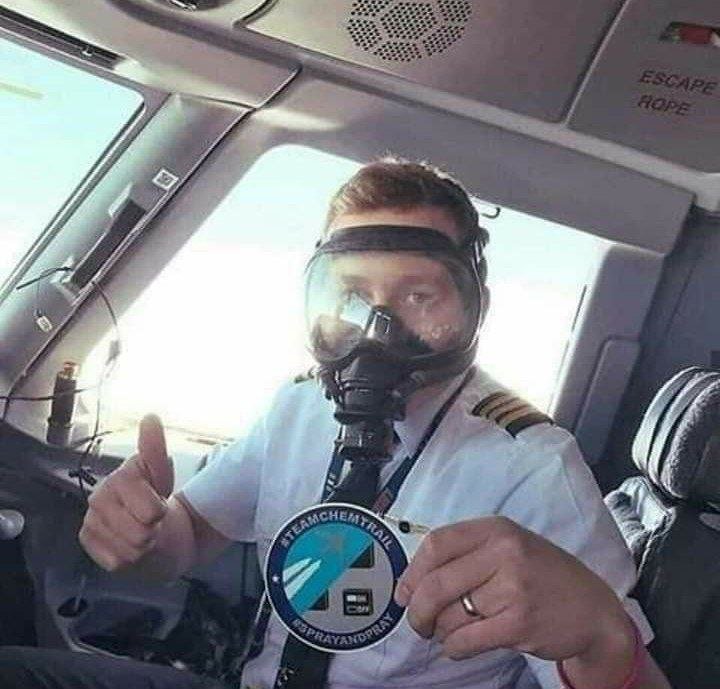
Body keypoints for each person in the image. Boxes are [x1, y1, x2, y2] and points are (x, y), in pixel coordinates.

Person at [0, 159, 672, 689]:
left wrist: (600, 636)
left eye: (419, 295)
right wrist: (140, 534)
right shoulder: (298, 407)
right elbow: (190, 537)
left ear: (473, 307)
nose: (378, 328)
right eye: (351, 294)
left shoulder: (535, 466)